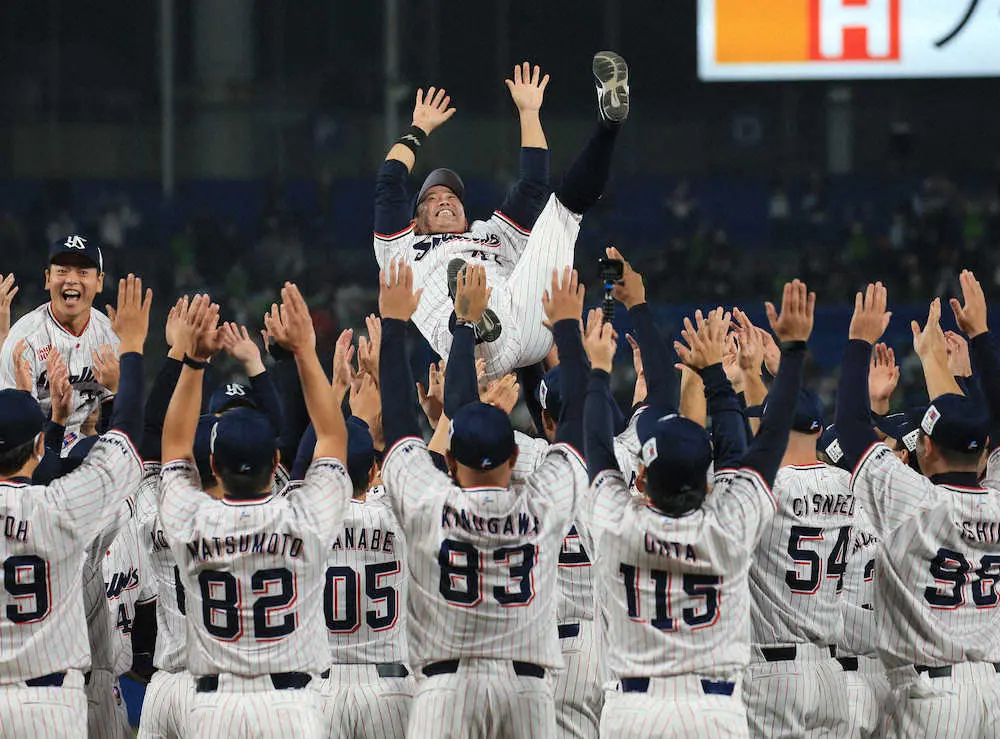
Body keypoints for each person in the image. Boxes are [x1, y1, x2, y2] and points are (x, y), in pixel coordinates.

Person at [584, 280, 815, 738]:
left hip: (633, 713)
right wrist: (779, 357)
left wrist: (596, 371)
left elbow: (595, 444)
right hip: (716, 714)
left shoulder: (615, 521)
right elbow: (761, 444)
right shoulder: (730, 524)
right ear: (708, 480)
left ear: (642, 479)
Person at [377, 260, 590, 738]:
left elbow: (395, 419)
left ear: (450, 463)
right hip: (526, 691)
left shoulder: (430, 499)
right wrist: (568, 334)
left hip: (447, 690)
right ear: (515, 457)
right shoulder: (542, 505)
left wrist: (402, 326)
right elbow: (574, 419)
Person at [158, 286, 352, 739]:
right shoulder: (303, 517)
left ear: (212, 466)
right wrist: (304, 351)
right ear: (278, 463)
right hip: (291, 710)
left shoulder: (192, 519)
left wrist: (193, 362)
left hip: (212, 710)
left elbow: (171, 447)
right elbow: (331, 436)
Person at [373, 52, 629, 380]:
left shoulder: (491, 231)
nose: (445, 200)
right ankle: (476, 320)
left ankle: (609, 126)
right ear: (414, 220)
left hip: (530, 318)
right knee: (465, 296)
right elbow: (389, 182)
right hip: (474, 352)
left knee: (562, 209)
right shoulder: (400, 248)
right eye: (432, 199)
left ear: (465, 212)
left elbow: (533, 185)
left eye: (452, 196)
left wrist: (529, 112)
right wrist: (419, 127)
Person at [835, 275, 1000, 739]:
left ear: (924, 447)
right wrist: (981, 336)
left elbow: (849, 424)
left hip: (934, 700)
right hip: (992, 693)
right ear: (984, 452)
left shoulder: (915, 499)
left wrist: (858, 342)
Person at [0, 273, 149, 737]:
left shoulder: (57, 498)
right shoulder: (66, 510)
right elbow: (126, 438)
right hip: (53, 704)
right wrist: (134, 351)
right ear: (41, 449)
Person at [741, 387, 853, 739]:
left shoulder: (767, 488)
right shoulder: (849, 484)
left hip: (775, 677)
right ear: (819, 430)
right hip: (831, 675)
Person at [0, 236, 119, 444]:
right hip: (30, 449)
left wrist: (119, 388)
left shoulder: (108, 334)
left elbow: (115, 424)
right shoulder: (25, 339)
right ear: (48, 278)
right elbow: (12, 432)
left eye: (83, 272)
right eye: (62, 271)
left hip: (81, 445)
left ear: (99, 282)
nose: (71, 279)